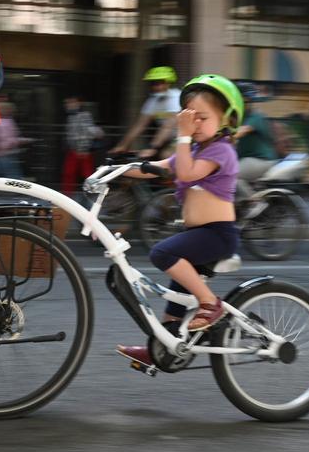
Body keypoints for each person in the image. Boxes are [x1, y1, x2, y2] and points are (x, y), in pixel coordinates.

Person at [113, 74, 244, 368]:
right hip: (197, 237)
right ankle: (165, 347)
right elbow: (160, 168)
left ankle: (211, 304)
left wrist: (182, 135)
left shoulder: (222, 151)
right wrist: (117, 170)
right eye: (189, 117)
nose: (194, 124)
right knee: (176, 302)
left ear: (227, 119)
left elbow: (184, 173)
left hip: (216, 235)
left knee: (163, 252)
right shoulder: (194, 150)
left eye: (202, 118)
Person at [111, 66, 181, 158]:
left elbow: (168, 126)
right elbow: (139, 125)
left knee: (167, 156)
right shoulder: (153, 100)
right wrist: (123, 145)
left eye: (160, 83)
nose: (157, 86)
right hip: (169, 138)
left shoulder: (176, 97)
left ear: (168, 83)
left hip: (186, 136)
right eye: (154, 83)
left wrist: (152, 147)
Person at [233, 80, 283, 196]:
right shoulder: (238, 116)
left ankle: (252, 202)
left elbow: (243, 130)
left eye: (245, 100)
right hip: (247, 159)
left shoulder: (256, 116)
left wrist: (226, 136)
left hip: (261, 160)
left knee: (231, 175)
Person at [61, 95, 102, 193]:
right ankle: (68, 196)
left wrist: (83, 150)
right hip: (76, 150)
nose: (69, 105)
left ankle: (93, 194)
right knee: (71, 175)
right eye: (67, 103)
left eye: (72, 102)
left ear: (78, 103)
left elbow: (87, 132)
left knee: (85, 175)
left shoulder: (83, 115)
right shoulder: (71, 117)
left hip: (81, 151)